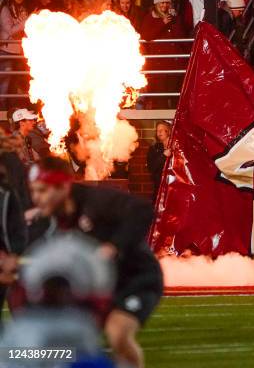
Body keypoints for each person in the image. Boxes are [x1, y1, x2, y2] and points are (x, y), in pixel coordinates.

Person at [8, 156, 164, 367]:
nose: (36, 197)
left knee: (117, 333)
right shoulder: (56, 214)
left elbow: (143, 210)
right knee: (64, 341)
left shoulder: (97, 201)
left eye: (43, 190)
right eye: (33, 190)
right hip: (101, 282)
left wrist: (114, 246)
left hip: (135, 278)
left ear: (63, 185)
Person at [140, 0, 187, 105]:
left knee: (176, 98)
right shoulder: (149, 18)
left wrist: (174, 21)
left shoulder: (175, 18)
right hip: (158, 66)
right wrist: (162, 23)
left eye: (167, 3)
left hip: (174, 65)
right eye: (162, 3)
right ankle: (160, 123)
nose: (164, 6)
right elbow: (146, 35)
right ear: (156, 3)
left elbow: (181, 37)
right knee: (160, 99)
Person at [0, 0, 28, 96]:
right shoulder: (5, 10)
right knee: (5, 81)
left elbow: (25, 28)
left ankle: (14, 106)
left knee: (17, 81)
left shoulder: (22, 9)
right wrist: (25, 21)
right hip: (7, 51)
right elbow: (10, 30)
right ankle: (2, 105)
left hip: (19, 51)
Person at [147, 121, 172, 200]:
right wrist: (164, 156)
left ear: (168, 131)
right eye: (157, 130)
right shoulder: (154, 149)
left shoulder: (176, 147)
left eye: (162, 130)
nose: (159, 132)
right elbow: (152, 168)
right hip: (159, 187)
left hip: (173, 187)